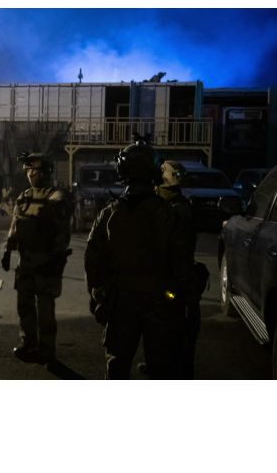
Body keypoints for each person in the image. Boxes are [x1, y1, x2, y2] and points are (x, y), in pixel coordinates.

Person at [84, 139, 189, 379]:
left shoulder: (109, 214)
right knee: (161, 366)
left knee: (117, 366)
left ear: (123, 171)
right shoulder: (168, 214)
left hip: (120, 302)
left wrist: (97, 295)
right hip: (160, 302)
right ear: (154, 171)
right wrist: (179, 297)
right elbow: (180, 261)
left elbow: (92, 260)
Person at [1, 152, 73, 366]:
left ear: (45, 172)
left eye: (33, 170)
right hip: (26, 262)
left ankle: (47, 350)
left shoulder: (57, 196)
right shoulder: (24, 197)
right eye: (28, 170)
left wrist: (57, 257)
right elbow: (15, 226)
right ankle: (28, 343)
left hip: (47, 261)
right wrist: (7, 250)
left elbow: (60, 230)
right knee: (24, 306)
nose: (30, 174)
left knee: (44, 310)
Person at [156, 160, 206, 379]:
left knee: (172, 330)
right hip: (181, 280)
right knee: (178, 331)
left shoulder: (172, 208)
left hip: (173, 282)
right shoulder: (180, 205)